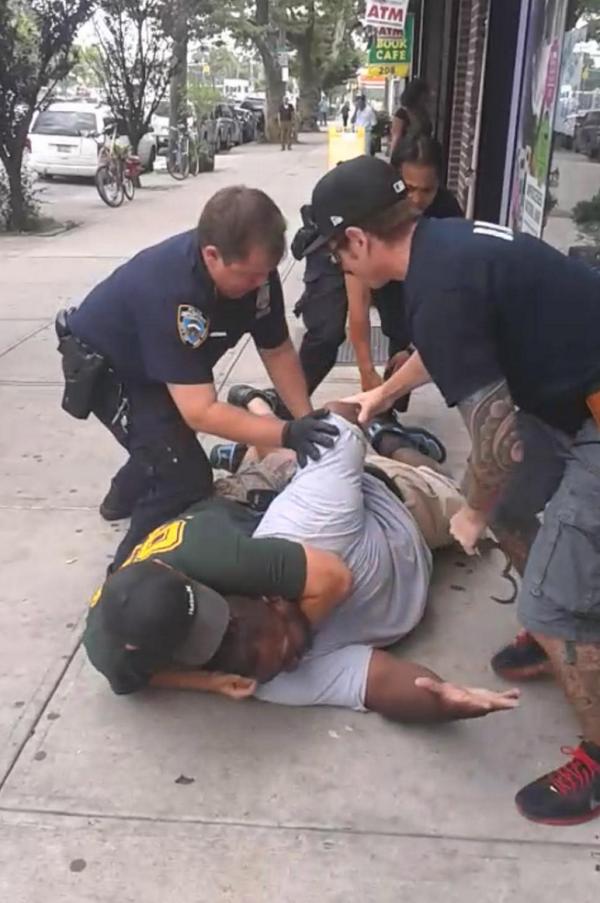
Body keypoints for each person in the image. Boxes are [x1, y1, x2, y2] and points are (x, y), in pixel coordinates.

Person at [302, 152, 600, 826]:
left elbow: (499, 446)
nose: (338, 265)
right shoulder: (443, 246)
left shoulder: (437, 289)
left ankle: (576, 672)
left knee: (551, 593)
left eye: (334, 251)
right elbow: (452, 345)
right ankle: (556, 632)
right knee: (514, 509)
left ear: (359, 240)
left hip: (589, 415)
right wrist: (382, 393)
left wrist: (470, 511)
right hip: (574, 400)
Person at [86, 391, 519, 728]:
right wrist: (442, 701)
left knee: (460, 495)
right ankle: (257, 425)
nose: (290, 659)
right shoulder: (266, 676)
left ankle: (376, 434)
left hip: (387, 500)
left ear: (269, 595)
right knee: (277, 465)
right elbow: (379, 684)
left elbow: (334, 427)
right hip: (271, 512)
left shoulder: (290, 532)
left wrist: (365, 404)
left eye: (220, 619)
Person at [56, 186, 338, 568]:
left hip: (156, 361)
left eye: (266, 273)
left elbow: (277, 349)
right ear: (212, 255)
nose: (261, 284)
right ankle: (126, 580)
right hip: (110, 367)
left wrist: (306, 420)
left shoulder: (257, 274)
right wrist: (286, 434)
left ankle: (121, 496)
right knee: (183, 477)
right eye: (250, 276)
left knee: (166, 440)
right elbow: (200, 411)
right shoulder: (173, 290)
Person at [346, 136, 463, 404]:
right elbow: (358, 302)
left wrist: (413, 349)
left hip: (424, 283)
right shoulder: (372, 210)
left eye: (427, 190)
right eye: (409, 189)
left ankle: (391, 398)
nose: (417, 200)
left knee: (410, 352)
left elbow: (450, 297)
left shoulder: (447, 212)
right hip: (379, 278)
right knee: (333, 333)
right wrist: (366, 370)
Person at [389, 77, 432, 158]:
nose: (427, 96)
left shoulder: (423, 112)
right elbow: (396, 137)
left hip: (424, 153)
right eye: (424, 94)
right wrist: (393, 157)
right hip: (408, 154)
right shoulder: (402, 113)